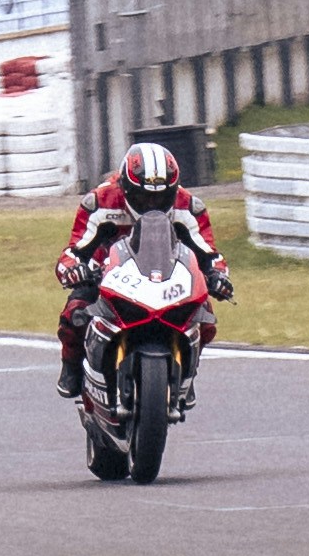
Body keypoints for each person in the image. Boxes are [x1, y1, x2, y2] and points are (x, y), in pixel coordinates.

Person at [54, 140, 228, 405]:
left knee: (204, 317)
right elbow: (73, 251)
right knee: (75, 311)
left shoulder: (188, 207)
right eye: (144, 196)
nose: (151, 203)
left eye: (160, 196)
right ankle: (72, 367)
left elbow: (210, 254)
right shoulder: (100, 202)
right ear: (125, 186)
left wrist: (218, 277)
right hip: (108, 274)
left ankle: (187, 374)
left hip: (168, 274)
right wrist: (73, 270)